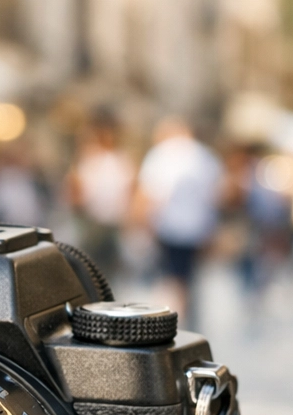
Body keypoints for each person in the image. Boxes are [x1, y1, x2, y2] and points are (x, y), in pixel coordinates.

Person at [134, 118, 223, 323]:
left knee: (172, 280)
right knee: (188, 279)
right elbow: (217, 196)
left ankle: (172, 320)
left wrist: (144, 225)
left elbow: (150, 195)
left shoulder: (162, 154)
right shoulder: (205, 156)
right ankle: (188, 319)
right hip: (197, 229)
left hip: (169, 228)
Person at [67, 108, 136, 274]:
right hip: (93, 224)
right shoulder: (88, 158)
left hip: (114, 224)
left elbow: (130, 191)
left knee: (110, 272)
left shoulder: (121, 159)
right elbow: (75, 194)